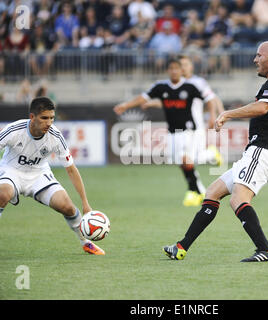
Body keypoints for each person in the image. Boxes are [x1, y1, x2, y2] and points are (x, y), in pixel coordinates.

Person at [163, 40, 268, 262]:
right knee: (212, 192)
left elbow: (262, 107)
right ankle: (181, 247)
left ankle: (265, 250)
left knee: (237, 200)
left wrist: (227, 114)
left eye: (259, 56)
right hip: (263, 152)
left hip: (264, 151)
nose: (255, 59)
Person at [0, 97, 105, 255]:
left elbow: (71, 169)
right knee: (3, 194)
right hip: (11, 171)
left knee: (68, 207)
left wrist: (85, 203)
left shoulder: (55, 136)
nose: (49, 123)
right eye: (44, 118)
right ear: (32, 117)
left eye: (51, 118)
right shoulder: (14, 130)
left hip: (39, 174)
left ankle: (86, 242)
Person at [114, 59, 221, 207]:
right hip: (172, 131)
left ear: (180, 71)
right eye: (171, 69)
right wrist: (126, 105)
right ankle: (199, 188)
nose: (174, 71)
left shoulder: (190, 86)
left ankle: (195, 189)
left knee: (186, 159)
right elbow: (144, 97)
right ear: (168, 71)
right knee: (181, 162)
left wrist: (213, 115)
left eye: (177, 69)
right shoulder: (161, 87)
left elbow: (209, 98)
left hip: (189, 129)